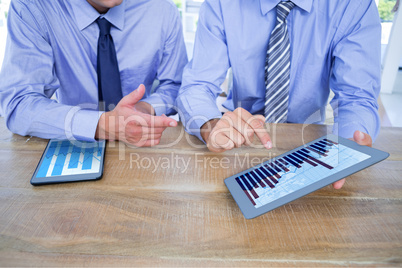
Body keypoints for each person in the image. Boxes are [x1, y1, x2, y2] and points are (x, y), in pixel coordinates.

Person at [176, 0, 380, 189]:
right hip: (238, 140)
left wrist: (347, 143)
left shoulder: (354, 5)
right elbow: (197, 84)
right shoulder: (221, 4)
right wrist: (210, 125)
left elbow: (356, 97)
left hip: (310, 139)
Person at [0, 0, 188, 147]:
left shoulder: (162, 9)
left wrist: (145, 108)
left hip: (141, 144)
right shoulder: (33, 7)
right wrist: (103, 125)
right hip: (69, 143)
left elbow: (176, 85)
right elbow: (19, 104)